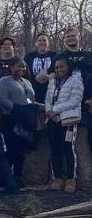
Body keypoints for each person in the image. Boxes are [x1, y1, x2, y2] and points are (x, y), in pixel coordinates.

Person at [0, 60, 39, 187]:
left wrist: (43, 108)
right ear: (12, 67)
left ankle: (17, 177)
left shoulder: (27, 82)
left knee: (21, 149)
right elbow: (1, 99)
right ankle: (4, 177)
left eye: (24, 67)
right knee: (12, 148)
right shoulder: (4, 81)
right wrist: (17, 109)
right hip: (10, 118)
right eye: (19, 66)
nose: (22, 69)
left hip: (26, 120)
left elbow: (32, 100)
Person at [44, 57, 83, 193]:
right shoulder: (53, 81)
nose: (59, 70)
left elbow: (75, 100)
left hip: (67, 120)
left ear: (69, 67)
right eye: (56, 67)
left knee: (68, 148)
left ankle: (71, 179)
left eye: (62, 67)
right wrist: (49, 111)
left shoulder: (76, 80)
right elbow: (48, 98)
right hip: (52, 120)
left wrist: (55, 110)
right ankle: (58, 177)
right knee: (54, 149)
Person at [25, 33, 56, 105]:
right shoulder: (29, 56)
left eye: (44, 40)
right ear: (36, 43)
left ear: (48, 43)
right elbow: (24, 73)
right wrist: (34, 78)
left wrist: (51, 77)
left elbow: (61, 71)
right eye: (40, 40)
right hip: (34, 90)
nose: (42, 42)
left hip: (51, 90)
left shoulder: (54, 55)